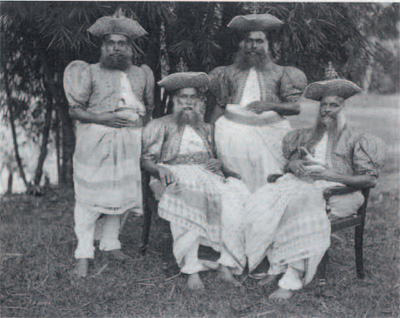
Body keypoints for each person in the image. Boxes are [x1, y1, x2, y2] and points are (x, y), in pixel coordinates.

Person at [220, 68, 386, 300]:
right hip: (301, 184)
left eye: (334, 105)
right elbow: (291, 161)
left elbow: (369, 180)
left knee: (300, 207)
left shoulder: (357, 139)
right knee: (262, 201)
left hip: (340, 192)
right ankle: (272, 266)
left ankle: (291, 278)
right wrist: (293, 165)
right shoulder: (308, 135)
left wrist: (332, 176)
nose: (327, 110)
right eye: (324, 106)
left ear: (343, 108)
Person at [63, 10, 155, 277]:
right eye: (111, 44)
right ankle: (83, 253)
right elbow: (74, 110)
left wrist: (139, 133)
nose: (116, 49)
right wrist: (103, 118)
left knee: (121, 194)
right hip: (95, 139)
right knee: (89, 196)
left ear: (130, 47)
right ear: (103, 47)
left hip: (131, 140)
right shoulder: (90, 72)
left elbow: (149, 109)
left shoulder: (142, 74)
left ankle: (111, 243)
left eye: (122, 44)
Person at [141, 72, 248, 290]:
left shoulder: (207, 128)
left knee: (234, 199)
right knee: (188, 196)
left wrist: (218, 165)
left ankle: (226, 265)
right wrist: (159, 168)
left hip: (207, 175)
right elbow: (146, 161)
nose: (188, 102)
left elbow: (215, 158)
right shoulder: (159, 125)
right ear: (173, 100)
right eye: (183, 97)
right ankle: (192, 268)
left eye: (193, 98)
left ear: (200, 101)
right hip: (172, 173)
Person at [210, 13, 307, 192]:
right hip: (232, 134)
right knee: (237, 182)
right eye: (249, 41)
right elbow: (220, 105)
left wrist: (269, 105)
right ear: (242, 44)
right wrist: (209, 135)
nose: (253, 46)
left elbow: (295, 107)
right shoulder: (227, 73)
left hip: (270, 133)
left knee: (268, 180)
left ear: (269, 45)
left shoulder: (281, 73)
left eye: (259, 41)